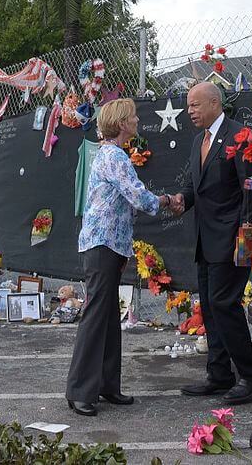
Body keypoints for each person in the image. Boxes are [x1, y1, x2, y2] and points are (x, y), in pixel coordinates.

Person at [66, 98, 179, 417]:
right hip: (102, 244)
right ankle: (79, 391)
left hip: (109, 245)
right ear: (121, 123)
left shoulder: (110, 154)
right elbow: (139, 197)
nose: (137, 121)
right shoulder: (115, 156)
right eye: (133, 117)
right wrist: (169, 200)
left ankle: (106, 385)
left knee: (107, 315)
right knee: (96, 315)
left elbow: (124, 203)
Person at [172, 82, 252, 405]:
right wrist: (176, 201)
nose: (190, 112)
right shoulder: (199, 140)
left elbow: (251, 189)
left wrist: (247, 232)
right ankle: (219, 374)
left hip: (232, 238)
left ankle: (251, 375)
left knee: (225, 304)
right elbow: (192, 187)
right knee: (211, 307)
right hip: (205, 238)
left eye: (195, 106)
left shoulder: (240, 136)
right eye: (188, 107)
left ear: (214, 103)